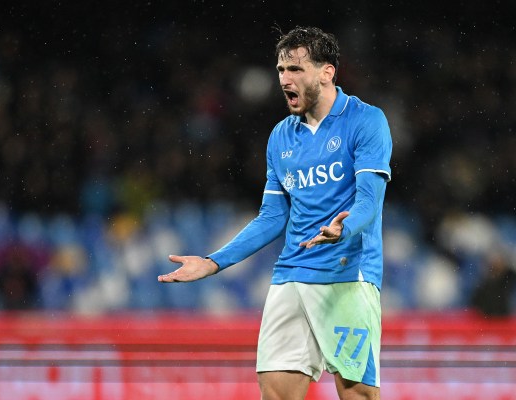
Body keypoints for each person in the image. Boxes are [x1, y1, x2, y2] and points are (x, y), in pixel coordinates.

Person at [158, 26, 392, 400]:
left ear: (327, 72)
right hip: (291, 276)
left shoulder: (366, 120)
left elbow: (369, 202)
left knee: (357, 395)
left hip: (348, 275)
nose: (284, 79)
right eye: (281, 69)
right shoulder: (281, 136)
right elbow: (271, 216)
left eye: (295, 69)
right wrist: (213, 262)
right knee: (276, 392)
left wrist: (342, 230)